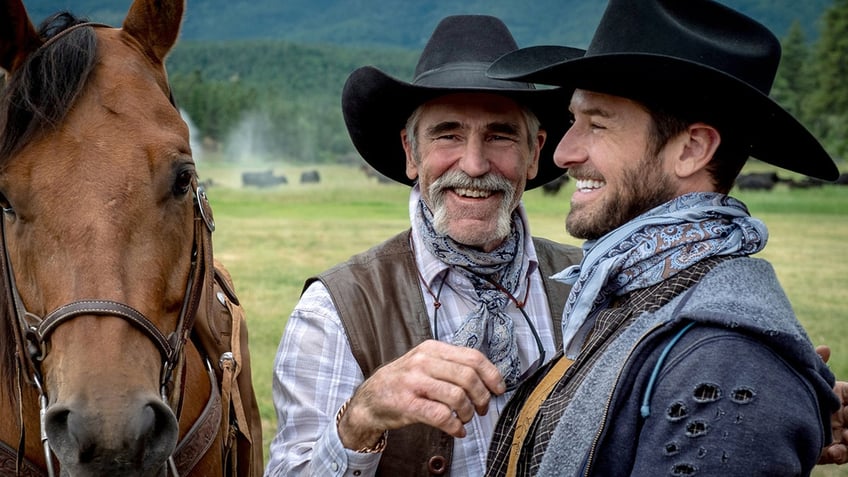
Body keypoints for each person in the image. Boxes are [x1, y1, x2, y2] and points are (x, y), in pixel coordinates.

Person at [481, 0, 844, 475]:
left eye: (598, 123)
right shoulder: (635, 292)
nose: (565, 152)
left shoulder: (726, 363)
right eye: (573, 121)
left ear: (691, 149)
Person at [264, 15, 584, 476]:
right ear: (411, 153)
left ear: (534, 153)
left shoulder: (589, 286)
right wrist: (361, 418)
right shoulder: (334, 312)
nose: (474, 165)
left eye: (499, 134)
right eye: (448, 133)